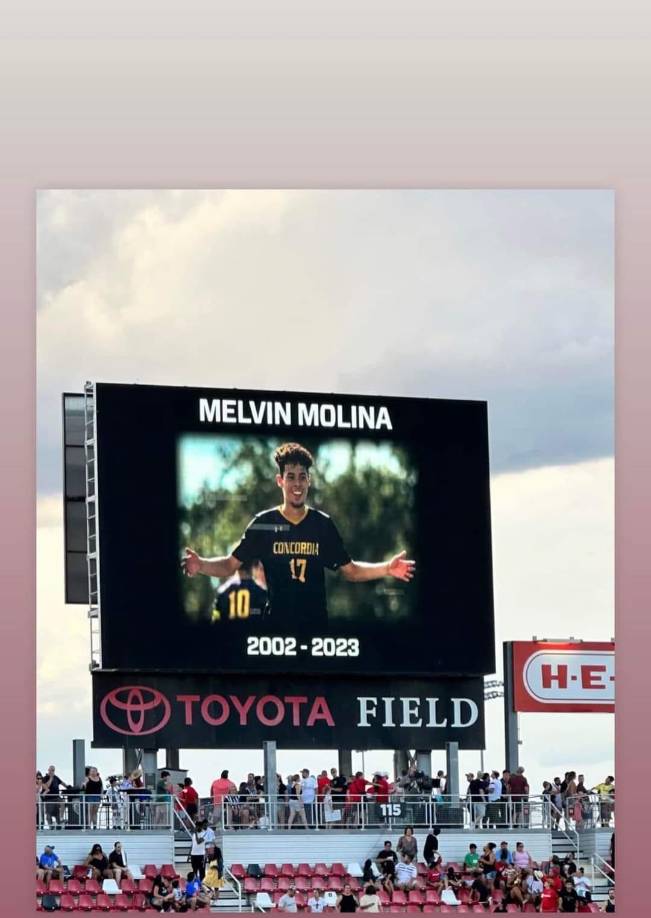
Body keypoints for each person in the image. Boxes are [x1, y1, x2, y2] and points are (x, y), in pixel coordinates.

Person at [182, 442, 415, 627]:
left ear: (309, 481)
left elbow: (350, 571)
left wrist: (387, 568)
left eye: (302, 476)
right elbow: (230, 565)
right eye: (291, 476)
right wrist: (200, 564)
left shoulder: (322, 525)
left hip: (316, 635)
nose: (297, 483)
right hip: (275, 637)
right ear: (280, 481)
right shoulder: (263, 523)